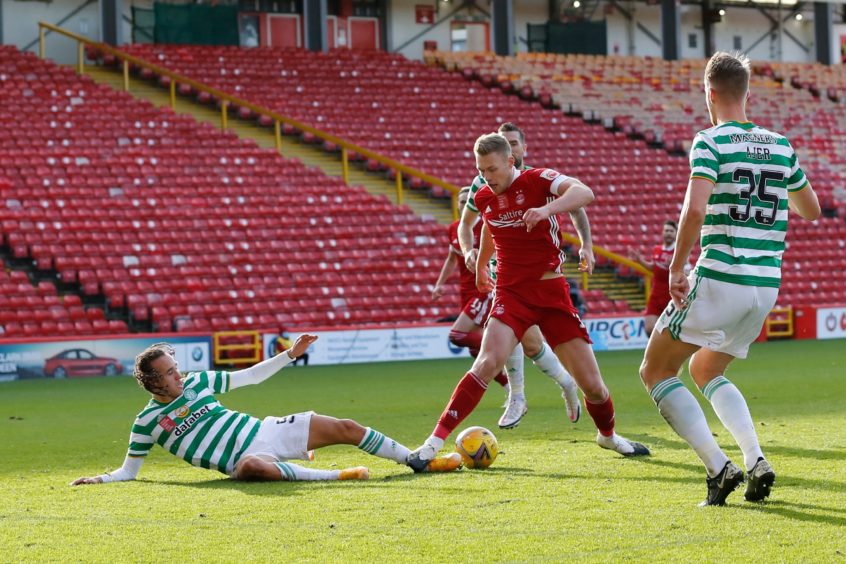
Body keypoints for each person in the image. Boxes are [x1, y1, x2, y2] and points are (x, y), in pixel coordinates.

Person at [638, 52, 821, 506]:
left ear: (710, 93)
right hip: (764, 288)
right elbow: (811, 210)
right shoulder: (779, 145)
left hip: (721, 275)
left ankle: (719, 470)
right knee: (706, 367)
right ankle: (756, 459)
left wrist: (677, 267)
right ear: (747, 93)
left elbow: (695, 208)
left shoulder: (710, 141)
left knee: (655, 370)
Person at [407, 133, 649, 471]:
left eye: (492, 168)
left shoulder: (538, 180)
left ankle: (607, 435)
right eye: (481, 169)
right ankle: (431, 445)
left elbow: (585, 193)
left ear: (510, 161)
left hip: (551, 294)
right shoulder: (485, 196)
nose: (486, 176)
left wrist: (547, 209)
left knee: (593, 387)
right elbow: (489, 229)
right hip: (510, 293)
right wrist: (479, 267)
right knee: (486, 363)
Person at [71, 336, 461, 486]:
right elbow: (129, 471)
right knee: (256, 469)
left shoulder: (199, 383)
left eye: (176, 368)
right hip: (244, 459)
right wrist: (100, 480)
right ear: (154, 383)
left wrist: (289, 355)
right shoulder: (145, 423)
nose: (178, 374)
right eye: (170, 373)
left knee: (345, 425)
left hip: (268, 431)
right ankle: (337, 475)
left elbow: (252, 378)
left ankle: (414, 460)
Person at [458, 122, 581, 429]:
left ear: (521, 150)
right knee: (520, 339)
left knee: (532, 344)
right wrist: (472, 252)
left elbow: (578, 206)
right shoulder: (482, 184)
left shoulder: (539, 179)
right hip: (505, 271)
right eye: (506, 142)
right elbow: (469, 224)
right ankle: (519, 396)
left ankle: (561, 384)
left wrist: (587, 245)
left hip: (540, 271)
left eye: (514, 142)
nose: (511, 147)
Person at [432, 185, 512, 395]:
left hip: (482, 289)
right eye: (461, 201)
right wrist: (440, 283)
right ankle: (509, 387)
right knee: (474, 351)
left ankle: (504, 349)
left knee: (457, 334)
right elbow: (452, 259)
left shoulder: (487, 225)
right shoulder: (455, 229)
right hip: (466, 292)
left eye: (470, 200)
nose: (465, 204)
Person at [629, 220, 688, 335]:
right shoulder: (657, 249)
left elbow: (686, 272)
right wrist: (640, 261)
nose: (668, 233)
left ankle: (667, 351)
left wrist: (676, 265)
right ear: (662, 233)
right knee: (649, 328)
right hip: (656, 295)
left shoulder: (679, 251)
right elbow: (654, 268)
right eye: (666, 230)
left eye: (671, 231)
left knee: (672, 331)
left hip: (672, 295)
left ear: (676, 233)